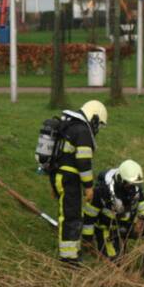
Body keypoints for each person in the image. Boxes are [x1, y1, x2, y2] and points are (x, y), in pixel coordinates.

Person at [51, 99, 108, 265]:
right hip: (70, 179)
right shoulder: (82, 131)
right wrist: (89, 187)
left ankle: (73, 252)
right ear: (94, 118)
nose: (98, 128)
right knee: (71, 217)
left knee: (72, 215)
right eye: (99, 124)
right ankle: (68, 258)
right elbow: (83, 163)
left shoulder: (70, 126)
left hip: (61, 176)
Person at [83, 159, 144, 277]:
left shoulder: (136, 189)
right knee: (118, 265)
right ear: (121, 180)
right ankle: (114, 249)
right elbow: (89, 216)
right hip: (108, 231)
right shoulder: (102, 191)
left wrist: (142, 218)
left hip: (128, 226)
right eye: (130, 183)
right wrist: (87, 239)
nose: (133, 187)